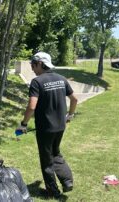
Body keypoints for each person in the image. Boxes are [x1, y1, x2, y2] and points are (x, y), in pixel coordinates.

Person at [16, 52, 78, 198]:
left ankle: (53, 191)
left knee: (46, 159)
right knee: (55, 152)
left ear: (40, 64)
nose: (31, 68)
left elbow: (32, 106)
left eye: (33, 65)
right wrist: (70, 115)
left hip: (45, 129)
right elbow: (74, 99)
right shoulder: (61, 79)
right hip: (60, 126)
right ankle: (67, 180)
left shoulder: (37, 82)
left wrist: (23, 124)